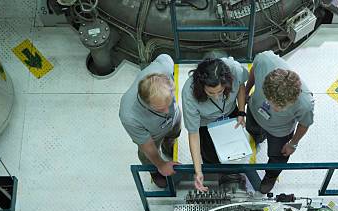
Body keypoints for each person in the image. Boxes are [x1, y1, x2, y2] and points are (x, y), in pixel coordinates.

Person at [245, 50, 315, 194]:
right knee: (252, 131)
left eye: (280, 106)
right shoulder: (264, 59)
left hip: (280, 131)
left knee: (278, 156)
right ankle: (257, 138)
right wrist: (246, 91)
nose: (274, 109)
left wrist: (293, 143)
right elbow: (254, 71)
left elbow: (304, 123)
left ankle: (270, 176)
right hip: (254, 111)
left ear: (294, 98)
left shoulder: (305, 103)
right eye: (271, 102)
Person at [182, 57, 248, 191]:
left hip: (231, 113)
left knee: (237, 149)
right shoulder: (189, 94)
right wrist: (198, 171)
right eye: (211, 93)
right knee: (210, 155)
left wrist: (241, 112)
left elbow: (241, 85)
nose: (217, 96)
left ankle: (232, 171)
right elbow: (193, 134)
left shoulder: (235, 70)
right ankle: (218, 169)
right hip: (206, 123)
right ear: (201, 87)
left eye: (220, 91)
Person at [119, 53, 181, 188]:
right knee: (148, 156)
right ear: (146, 103)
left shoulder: (164, 66)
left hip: (174, 120)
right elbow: (146, 145)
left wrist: (172, 113)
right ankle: (156, 172)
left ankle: (168, 145)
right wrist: (161, 164)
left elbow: (165, 56)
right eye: (160, 108)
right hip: (152, 133)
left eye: (168, 103)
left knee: (174, 133)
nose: (166, 111)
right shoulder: (129, 115)